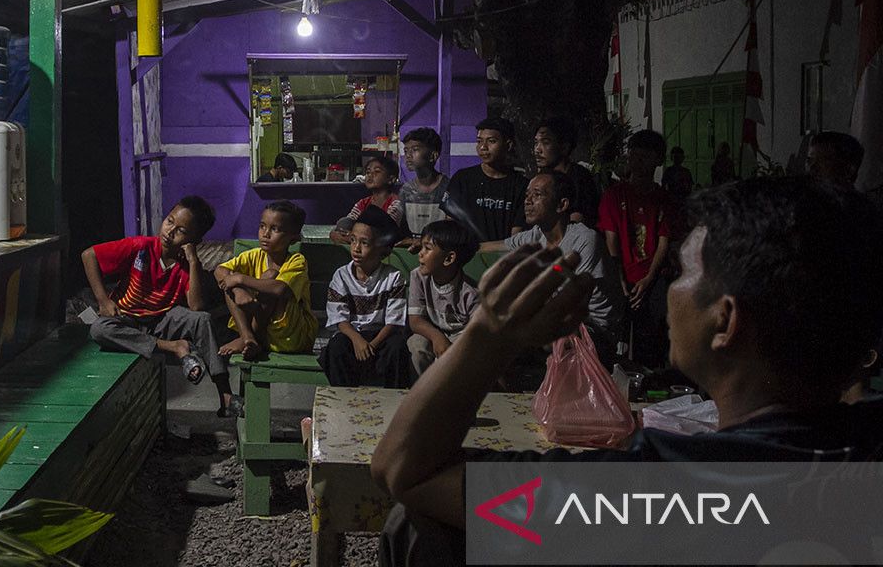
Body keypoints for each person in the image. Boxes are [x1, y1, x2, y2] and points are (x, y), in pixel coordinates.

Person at [372, 177, 883, 564]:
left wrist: (490, 334)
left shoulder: (656, 492)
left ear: (725, 321)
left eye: (681, 273)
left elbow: (405, 469)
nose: (672, 292)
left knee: (419, 526)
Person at [82, 197, 241, 417]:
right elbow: (89, 255)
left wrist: (194, 262)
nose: (169, 231)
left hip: (162, 320)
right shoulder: (141, 247)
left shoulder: (185, 267)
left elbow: (196, 307)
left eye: (181, 230)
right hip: (126, 318)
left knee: (201, 320)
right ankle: (175, 347)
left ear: (194, 239)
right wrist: (103, 300)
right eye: (169, 221)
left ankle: (225, 395)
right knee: (99, 329)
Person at [482, 170, 623, 366]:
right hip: (554, 321)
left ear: (562, 204)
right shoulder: (534, 235)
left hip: (592, 329)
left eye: (537, 194)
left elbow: (573, 303)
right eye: (527, 195)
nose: (528, 201)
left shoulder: (584, 240)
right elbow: (491, 246)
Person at [597, 129, 674, 368]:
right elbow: (611, 239)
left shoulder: (664, 198)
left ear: (658, 160)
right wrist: (619, 278)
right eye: (634, 155)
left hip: (652, 277)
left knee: (652, 333)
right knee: (620, 337)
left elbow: (664, 240)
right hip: (622, 275)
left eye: (644, 156)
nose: (636, 161)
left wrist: (649, 277)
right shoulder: (614, 195)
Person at [214, 200, 318, 359]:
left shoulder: (297, 261)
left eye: (275, 229)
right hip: (264, 335)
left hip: (290, 337)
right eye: (262, 226)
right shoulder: (253, 255)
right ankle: (248, 338)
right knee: (228, 284)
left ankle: (247, 338)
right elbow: (220, 270)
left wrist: (239, 279)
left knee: (269, 276)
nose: (266, 233)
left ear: (293, 238)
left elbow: (279, 288)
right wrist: (237, 289)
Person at [320, 205, 410, 388]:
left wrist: (371, 345)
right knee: (337, 347)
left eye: (365, 243)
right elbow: (340, 319)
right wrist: (358, 340)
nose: (356, 248)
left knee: (397, 347)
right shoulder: (341, 276)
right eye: (353, 241)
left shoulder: (393, 278)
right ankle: (343, 401)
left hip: (381, 337)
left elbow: (393, 322)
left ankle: (393, 405)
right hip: (352, 335)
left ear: (381, 248)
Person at [406, 219, 480, 377]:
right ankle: (419, 393)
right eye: (422, 247)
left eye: (427, 248)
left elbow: (477, 335)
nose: (420, 253)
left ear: (448, 258)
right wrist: (437, 337)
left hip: (462, 336)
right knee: (416, 344)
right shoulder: (418, 277)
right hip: (433, 330)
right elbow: (415, 321)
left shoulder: (471, 293)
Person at [440, 117, 526, 242]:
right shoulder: (462, 179)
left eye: (491, 141)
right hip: (466, 256)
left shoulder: (521, 186)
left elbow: (517, 237)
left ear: (508, 145)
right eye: (479, 141)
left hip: (503, 257)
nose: (483, 147)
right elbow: (450, 223)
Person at [531, 117, 600, 226]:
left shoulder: (579, 178)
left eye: (545, 142)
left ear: (564, 147)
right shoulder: (540, 178)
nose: (537, 149)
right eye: (536, 143)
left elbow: (579, 218)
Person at [330, 155, 405, 244]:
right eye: (368, 172)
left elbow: (386, 231)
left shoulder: (396, 203)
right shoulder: (363, 203)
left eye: (377, 171)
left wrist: (355, 237)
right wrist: (334, 233)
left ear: (391, 179)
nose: (370, 175)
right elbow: (348, 222)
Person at [398, 127, 449, 249]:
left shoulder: (449, 188)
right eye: (406, 151)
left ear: (433, 156)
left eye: (415, 150)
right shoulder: (406, 190)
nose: (408, 156)